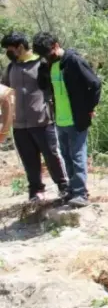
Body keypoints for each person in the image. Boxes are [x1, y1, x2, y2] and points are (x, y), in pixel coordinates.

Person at [33, 32, 101, 208]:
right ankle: (72, 190)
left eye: (48, 53)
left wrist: (89, 108)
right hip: (60, 120)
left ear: (56, 45)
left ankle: (80, 193)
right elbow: (42, 86)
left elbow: (94, 84)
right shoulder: (50, 65)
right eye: (43, 55)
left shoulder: (73, 60)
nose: (48, 57)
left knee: (77, 155)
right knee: (66, 156)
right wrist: (43, 66)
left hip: (76, 118)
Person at [1, 32, 69, 202]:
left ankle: (64, 187)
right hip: (19, 125)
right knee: (29, 160)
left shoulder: (43, 63)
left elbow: (55, 87)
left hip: (43, 120)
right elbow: (5, 93)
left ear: (20, 47)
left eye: (10, 49)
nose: (8, 53)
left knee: (52, 155)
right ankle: (35, 191)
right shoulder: (11, 68)